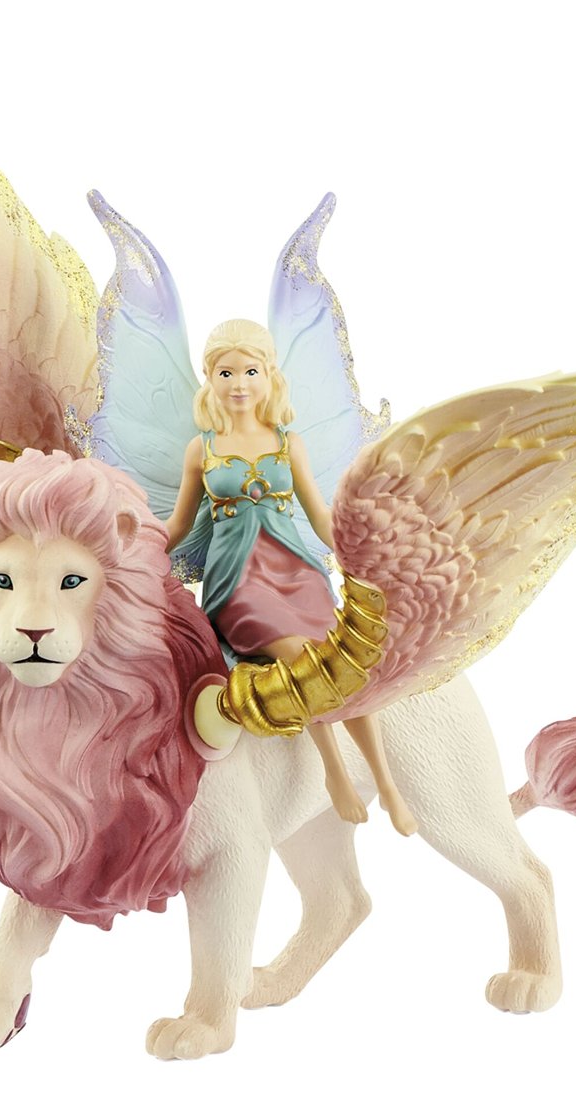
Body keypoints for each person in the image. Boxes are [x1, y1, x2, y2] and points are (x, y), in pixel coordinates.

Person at [166, 319, 416, 836]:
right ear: (210, 378)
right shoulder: (202, 450)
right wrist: (133, 545)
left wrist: (361, 554)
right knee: (304, 656)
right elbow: (178, 525)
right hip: (238, 582)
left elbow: (321, 517)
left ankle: (387, 781)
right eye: (226, 372)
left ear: (269, 375)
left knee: (343, 660)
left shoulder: (288, 443)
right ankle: (334, 771)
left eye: (250, 371)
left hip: (297, 569)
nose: (239, 384)